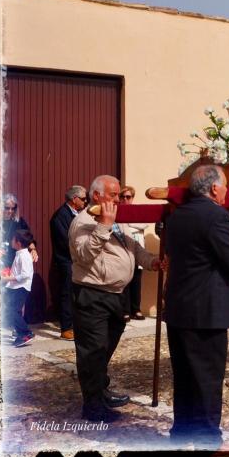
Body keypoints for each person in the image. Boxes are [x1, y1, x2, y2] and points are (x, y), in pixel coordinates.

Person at [164, 164, 229, 447]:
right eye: (225, 185)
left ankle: (183, 432)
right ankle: (209, 439)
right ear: (214, 188)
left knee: (185, 376)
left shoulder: (177, 217)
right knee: (208, 378)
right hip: (206, 312)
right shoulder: (217, 217)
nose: (226, 190)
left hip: (179, 309)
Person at [69, 174, 161, 422]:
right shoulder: (82, 222)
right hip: (92, 295)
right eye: (113, 195)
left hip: (115, 296)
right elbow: (84, 255)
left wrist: (152, 261)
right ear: (96, 196)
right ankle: (93, 406)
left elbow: (133, 247)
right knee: (93, 351)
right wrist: (103, 226)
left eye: (119, 195)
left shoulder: (118, 219)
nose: (117, 199)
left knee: (105, 349)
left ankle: (101, 389)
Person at [49, 185, 87, 340]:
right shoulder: (60, 216)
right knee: (67, 293)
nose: (86, 201)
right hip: (66, 261)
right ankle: (66, 328)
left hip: (77, 260)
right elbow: (65, 241)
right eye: (84, 199)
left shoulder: (78, 214)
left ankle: (77, 324)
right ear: (74, 199)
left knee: (77, 293)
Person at [2, 229, 36, 347]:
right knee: (12, 310)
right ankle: (20, 333)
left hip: (21, 287)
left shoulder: (25, 256)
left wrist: (9, 278)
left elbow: (25, 274)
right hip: (16, 287)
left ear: (18, 243)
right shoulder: (20, 254)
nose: (11, 241)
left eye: (13, 239)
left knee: (12, 310)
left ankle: (26, 333)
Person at [119, 186, 147, 321]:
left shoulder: (137, 210)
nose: (125, 200)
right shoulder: (117, 210)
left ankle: (136, 309)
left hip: (138, 251)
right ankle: (125, 310)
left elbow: (144, 224)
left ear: (132, 198)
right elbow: (119, 226)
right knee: (125, 282)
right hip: (123, 251)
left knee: (136, 281)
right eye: (122, 197)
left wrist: (128, 223)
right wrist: (132, 223)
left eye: (128, 197)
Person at [0, 193, 38, 270]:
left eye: (13, 208)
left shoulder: (19, 222)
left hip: (15, 262)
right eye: (7, 208)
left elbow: (29, 240)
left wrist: (33, 250)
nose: (10, 211)